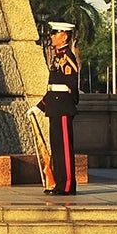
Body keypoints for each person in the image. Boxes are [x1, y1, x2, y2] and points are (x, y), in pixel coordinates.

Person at [37, 21, 81, 196]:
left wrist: (68, 103)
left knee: (65, 148)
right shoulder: (57, 57)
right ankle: (59, 183)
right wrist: (40, 106)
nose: (52, 36)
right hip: (55, 106)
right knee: (57, 148)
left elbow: (70, 86)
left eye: (55, 33)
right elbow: (52, 87)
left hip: (62, 107)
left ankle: (68, 185)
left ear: (64, 36)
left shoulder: (67, 57)